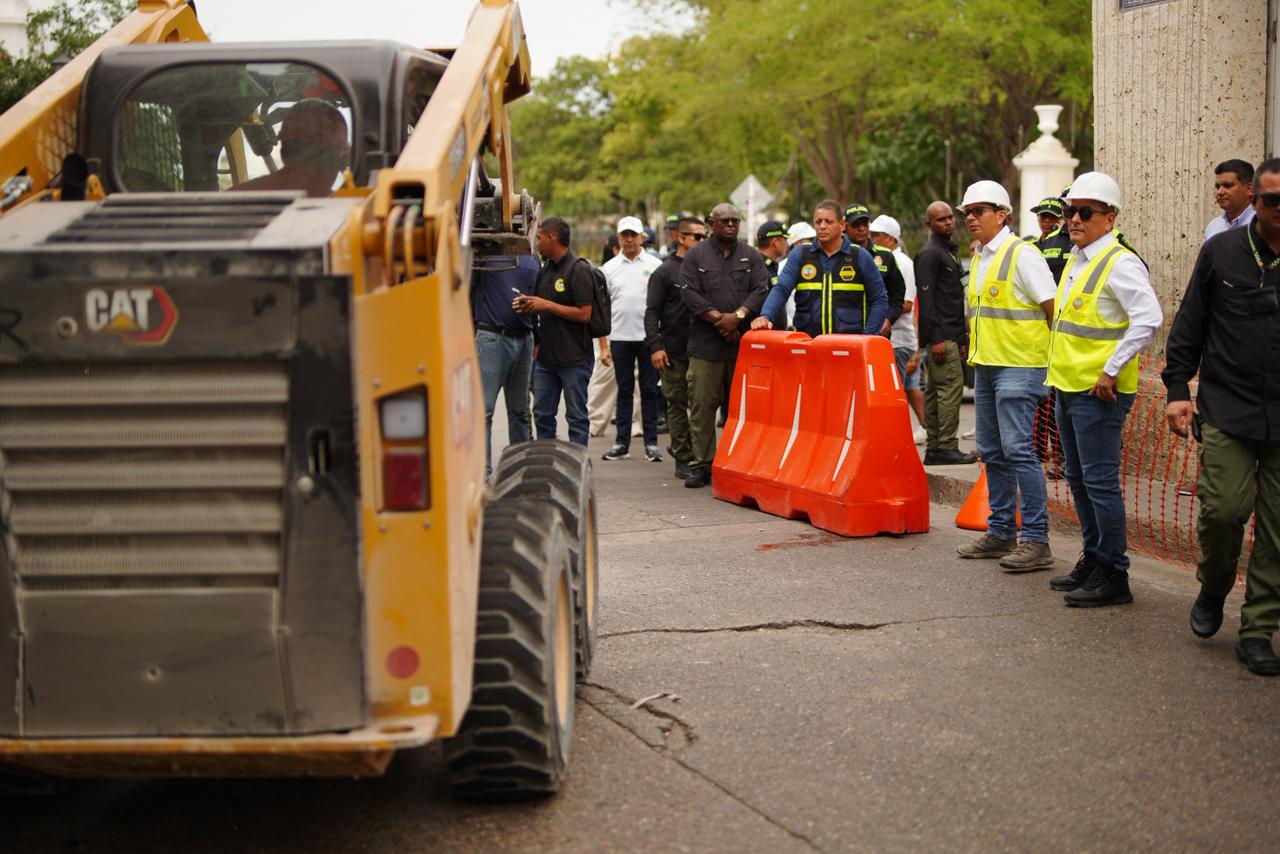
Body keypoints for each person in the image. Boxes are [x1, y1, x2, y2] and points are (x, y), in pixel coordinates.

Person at [1163, 157, 1280, 676]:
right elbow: (1190, 324)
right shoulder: (1222, 252)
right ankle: (1214, 586)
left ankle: (1257, 630)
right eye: (1273, 200)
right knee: (1224, 512)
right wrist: (1176, 389)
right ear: (1256, 202)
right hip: (1229, 409)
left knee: (1277, 531)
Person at [1045, 172, 1163, 607]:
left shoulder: (1120, 261)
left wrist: (1111, 370)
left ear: (1109, 217)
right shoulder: (1079, 260)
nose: (1074, 219)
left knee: (1099, 483)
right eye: (1069, 210)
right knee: (1079, 479)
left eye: (1085, 212)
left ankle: (1114, 572)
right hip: (1070, 387)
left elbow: (1149, 319)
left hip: (1099, 393)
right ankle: (1094, 558)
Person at [955, 180, 1058, 571]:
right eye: (968, 211)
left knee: (1019, 452)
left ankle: (1035, 539)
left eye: (979, 211)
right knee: (993, 452)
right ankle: (1000, 532)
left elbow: (1053, 308)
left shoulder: (1023, 255)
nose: (971, 218)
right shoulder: (981, 256)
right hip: (988, 368)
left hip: (1021, 366)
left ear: (1003, 215)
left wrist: (1050, 363)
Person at [676, 203, 771, 489]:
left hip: (740, 347)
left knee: (739, 408)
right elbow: (688, 292)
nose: (730, 224)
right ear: (711, 224)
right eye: (724, 220)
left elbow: (760, 289)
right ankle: (702, 464)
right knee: (702, 407)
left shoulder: (751, 256)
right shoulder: (695, 256)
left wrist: (738, 317)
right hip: (706, 347)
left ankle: (734, 462)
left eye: (735, 220)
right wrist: (720, 320)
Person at [753, 199, 887, 338]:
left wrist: (868, 336)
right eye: (818, 222)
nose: (822, 226)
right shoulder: (800, 254)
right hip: (809, 344)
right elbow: (781, 289)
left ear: (842, 225)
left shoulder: (860, 256)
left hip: (849, 346)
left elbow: (880, 299)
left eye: (828, 222)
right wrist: (766, 316)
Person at [515, 216, 595, 446]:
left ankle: (577, 466)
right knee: (542, 415)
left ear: (552, 237)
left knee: (576, 418)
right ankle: (548, 463)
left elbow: (584, 314)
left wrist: (546, 305)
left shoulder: (578, 269)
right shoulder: (546, 270)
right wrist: (529, 304)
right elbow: (542, 308)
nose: (537, 243)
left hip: (574, 360)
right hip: (546, 361)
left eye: (539, 238)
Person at [915, 201, 976, 465]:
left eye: (951, 217)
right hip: (942, 338)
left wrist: (961, 338)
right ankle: (945, 446)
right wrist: (936, 339)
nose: (949, 222)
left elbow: (953, 299)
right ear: (929, 224)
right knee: (948, 392)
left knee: (937, 392)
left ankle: (936, 447)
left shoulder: (948, 252)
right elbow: (927, 302)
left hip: (952, 336)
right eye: (941, 220)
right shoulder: (930, 254)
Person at [647, 215, 706, 479]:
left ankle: (700, 456)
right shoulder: (665, 271)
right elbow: (652, 312)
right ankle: (683, 456)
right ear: (680, 238)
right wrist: (655, 347)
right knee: (677, 404)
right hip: (673, 350)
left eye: (705, 237)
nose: (703, 241)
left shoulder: (705, 268)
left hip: (703, 349)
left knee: (701, 405)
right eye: (697, 237)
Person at [600, 216, 664, 462]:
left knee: (649, 390)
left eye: (633, 235)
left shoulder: (655, 265)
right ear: (618, 238)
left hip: (648, 338)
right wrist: (604, 345)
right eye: (624, 235)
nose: (628, 239)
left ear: (641, 237)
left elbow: (661, 305)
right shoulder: (608, 269)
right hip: (620, 337)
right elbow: (603, 309)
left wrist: (660, 340)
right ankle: (622, 443)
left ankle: (651, 443)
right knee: (624, 391)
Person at [472, 253, 537, 476]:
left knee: (520, 410)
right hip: (492, 336)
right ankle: (482, 474)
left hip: (524, 338)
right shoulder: (484, 257)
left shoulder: (531, 258)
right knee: (484, 410)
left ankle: (519, 471)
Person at [871, 214, 926, 444]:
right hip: (901, 339)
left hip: (899, 338)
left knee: (896, 391)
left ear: (890, 238)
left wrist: (877, 311)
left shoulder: (900, 263)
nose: (872, 239)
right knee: (910, 388)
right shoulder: (882, 259)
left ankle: (898, 435)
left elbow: (906, 303)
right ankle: (927, 429)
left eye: (876, 236)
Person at [234, 100, 350, 197]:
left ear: (282, 140)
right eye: (344, 152)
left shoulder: (235, 197)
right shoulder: (344, 211)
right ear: (340, 159)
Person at [845, 202, 905, 334]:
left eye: (865, 224)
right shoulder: (837, 255)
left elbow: (898, 295)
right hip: (845, 331)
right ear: (845, 227)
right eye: (856, 225)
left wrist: (888, 319)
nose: (861, 229)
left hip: (877, 332)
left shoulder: (885, 256)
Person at [1204, 158, 1255, 242]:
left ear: (1249, 188)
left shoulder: (1263, 225)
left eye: (1227, 186)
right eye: (1218, 187)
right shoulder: (1214, 226)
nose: (1219, 192)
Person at [1031, 197, 1071, 283]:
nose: (1047, 221)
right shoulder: (1032, 245)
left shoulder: (1070, 241)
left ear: (1061, 218)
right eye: (1043, 216)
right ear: (1038, 217)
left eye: (1052, 217)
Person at [756, 220, 789, 287]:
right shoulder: (759, 268)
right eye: (785, 239)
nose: (787, 244)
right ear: (775, 242)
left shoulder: (769, 265)